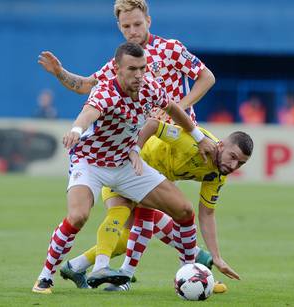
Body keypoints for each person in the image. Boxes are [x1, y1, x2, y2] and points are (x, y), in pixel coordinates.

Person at [32, 42, 216, 294]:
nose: (139, 75)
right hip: (90, 162)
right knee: (78, 216)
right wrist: (76, 130)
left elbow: (173, 108)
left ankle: (188, 272)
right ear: (117, 68)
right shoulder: (106, 92)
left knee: (184, 210)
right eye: (132, 69)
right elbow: (88, 113)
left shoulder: (150, 87)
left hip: (125, 164)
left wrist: (198, 136)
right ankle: (45, 277)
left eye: (142, 68)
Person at [60, 120, 252, 291]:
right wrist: (135, 152)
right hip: (128, 167)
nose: (234, 166)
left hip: (155, 180)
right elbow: (153, 124)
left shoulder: (218, 174)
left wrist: (217, 257)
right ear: (221, 145)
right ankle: (179, 267)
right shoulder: (194, 142)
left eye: (240, 164)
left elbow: (207, 214)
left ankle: (76, 266)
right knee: (147, 218)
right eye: (232, 157)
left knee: (128, 237)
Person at [38, 0, 215, 125]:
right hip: (147, 138)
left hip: (180, 129)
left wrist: (179, 107)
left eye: (138, 24)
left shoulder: (170, 48)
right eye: (126, 26)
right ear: (119, 27)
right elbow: (85, 85)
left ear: (148, 21)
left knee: (213, 168)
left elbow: (207, 77)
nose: (133, 31)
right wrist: (59, 72)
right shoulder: (120, 63)